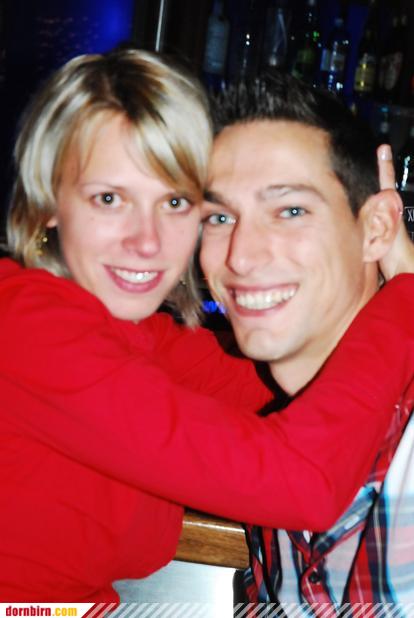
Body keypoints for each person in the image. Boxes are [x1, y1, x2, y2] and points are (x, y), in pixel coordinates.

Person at [0, 48, 412, 603]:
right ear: (48, 201)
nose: (147, 241)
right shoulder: (29, 330)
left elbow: (304, 373)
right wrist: (406, 292)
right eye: (109, 198)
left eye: (175, 202)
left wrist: (373, 268)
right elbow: (299, 480)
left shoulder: (128, 334)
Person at [200, 74, 414, 609]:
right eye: (220, 216)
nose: (240, 256)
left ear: (376, 229)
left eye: (291, 210)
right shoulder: (270, 437)